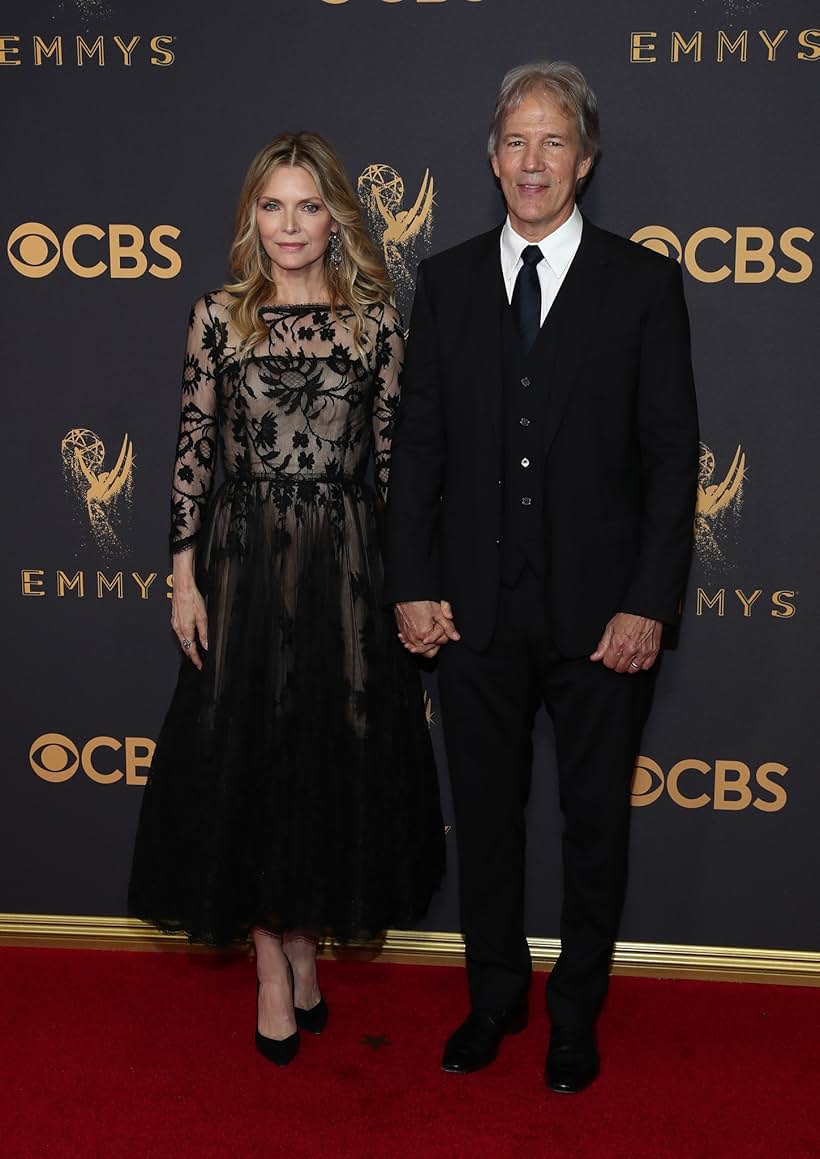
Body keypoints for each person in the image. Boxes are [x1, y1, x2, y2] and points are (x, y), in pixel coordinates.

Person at [384, 60, 698, 1093]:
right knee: (484, 817)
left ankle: (575, 1013)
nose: (532, 161)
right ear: (490, 158)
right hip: (470, 614)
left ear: (586, 159)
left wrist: (648, 600)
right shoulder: (447, 281)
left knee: (595, 825)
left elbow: (669, 456)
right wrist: (412, 582)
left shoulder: (641, 282)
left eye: (552, 141)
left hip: (603, 619)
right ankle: (492, 1000)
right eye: (515, 141)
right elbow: (418, 449)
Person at [129, 132, 444, 1067]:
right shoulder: (219, 318)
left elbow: (394, 469)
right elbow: (192, 453)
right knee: (251, 760)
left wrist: (409, 587)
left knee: (327, 757)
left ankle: (307, 945)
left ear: (335, 215)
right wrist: (181, 577)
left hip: (348, 568)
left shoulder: (377, 321)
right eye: (273, 206)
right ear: (251, 217)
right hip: (241, 566)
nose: (291, 225)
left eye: (309, 206)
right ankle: (273, 963)